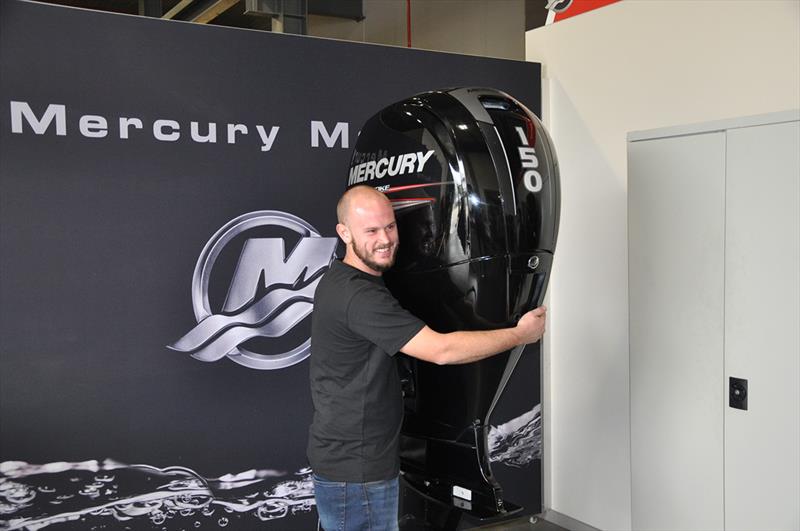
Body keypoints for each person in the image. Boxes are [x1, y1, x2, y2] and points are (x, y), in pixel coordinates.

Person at [308, 185, 547, 531]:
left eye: (390, 226)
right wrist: (521, 335)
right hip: (357, 472)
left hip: (351, 463)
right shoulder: (359, 296)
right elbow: (441, 350)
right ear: (344, 233)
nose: (385, 238)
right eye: (371, 231)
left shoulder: (344, 279)